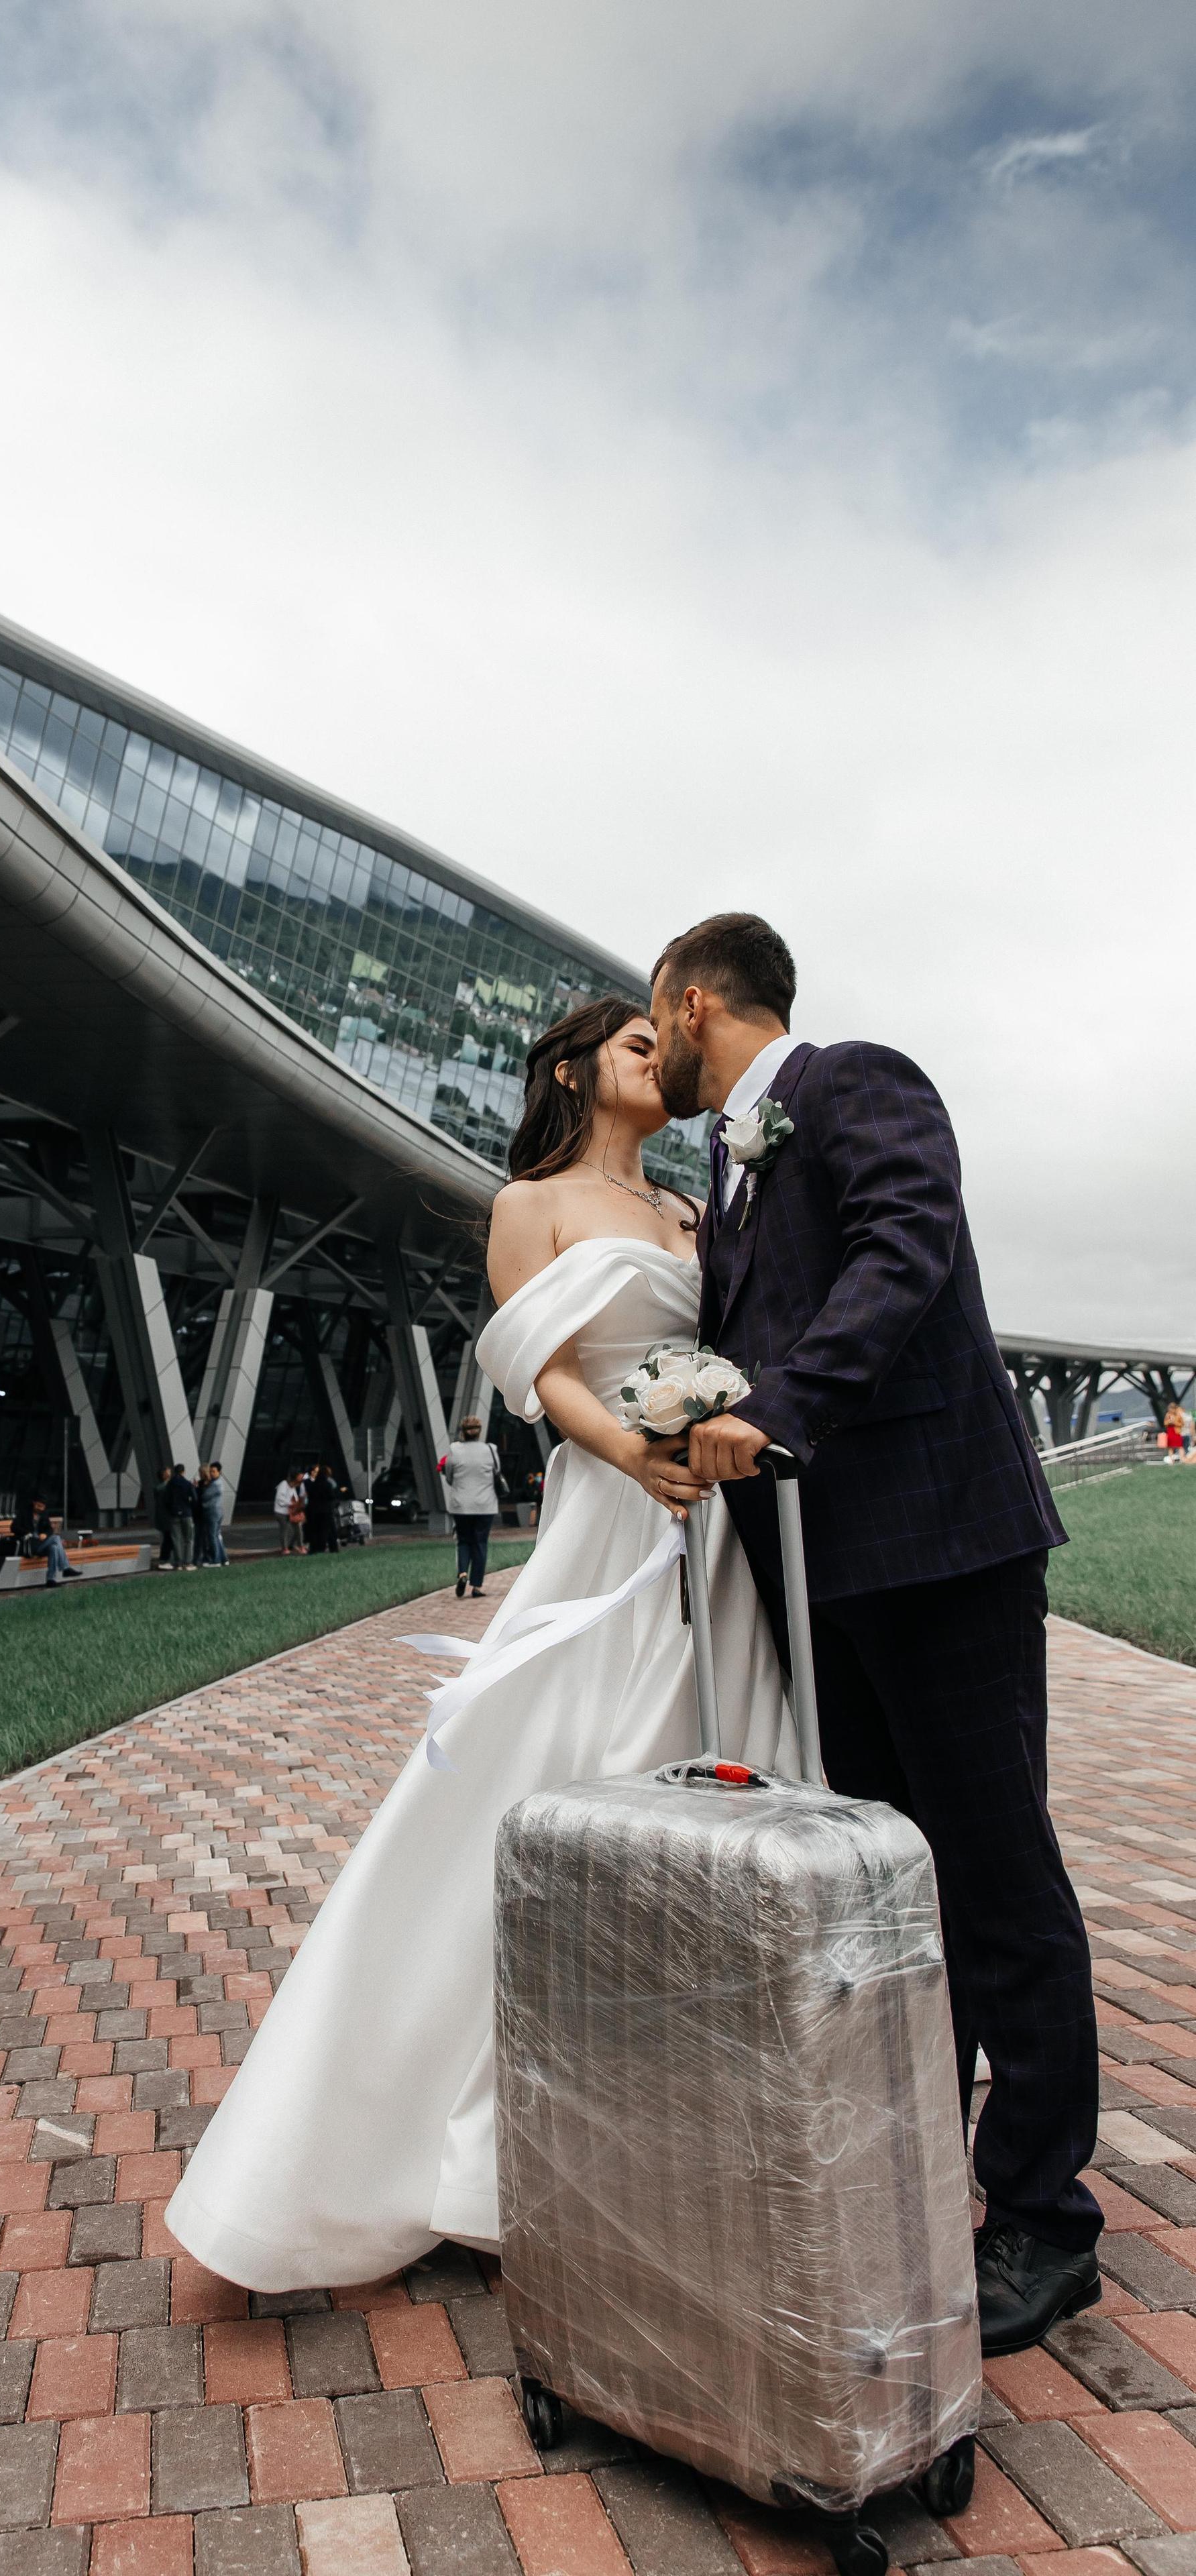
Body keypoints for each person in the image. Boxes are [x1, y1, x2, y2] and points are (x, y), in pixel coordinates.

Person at [166, 995, 792, 2290]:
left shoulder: (695, 1212)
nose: (655, 1061)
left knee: (718, 1789)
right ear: (573, 1066)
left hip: (718, 1527)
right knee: (554, 1781)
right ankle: (448, 2145)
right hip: (612, 1517)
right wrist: (636, 1452)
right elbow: (545, 1372)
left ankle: (675, 2133)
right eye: (633, 1045)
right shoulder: (529, 1204)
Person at [649, 910, 1097, 2357]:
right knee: (887, 1889)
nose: (649, 1049)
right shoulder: (717, 1185)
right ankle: (916, 2167)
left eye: (656, 1024)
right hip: (816, 1576)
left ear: (694, 997)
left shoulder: (855, 1082)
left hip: (940, 1547)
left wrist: (774, 1412)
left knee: (991, 1872)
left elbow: (904, 1253)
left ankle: (1042, 2216)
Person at [439, 1415, 501, 1599]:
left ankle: (462, 1574)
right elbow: (496, 1472)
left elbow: (449, 1477)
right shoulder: (491, 1449)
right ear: (479, 1431)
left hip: (461, 1505)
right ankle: (477, 1587)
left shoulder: (454, 1449)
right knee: (480, 1543)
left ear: (463, 1432)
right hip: (485, 1505)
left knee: (464, 1540)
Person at [10, 1492, 71, 1581]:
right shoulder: (24, 1513)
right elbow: (14, 1528)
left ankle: (51, 1579)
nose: (40, 1509)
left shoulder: (43, 1515)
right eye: (39, 1506)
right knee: (56, 1538)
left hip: (41, 1544)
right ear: (34, 1503)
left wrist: (45, 1534)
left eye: (42, 1507)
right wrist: (27, 1533)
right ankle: (65, 1568)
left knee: (54, 1548)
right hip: (30, 1546)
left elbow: (50, 1530)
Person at [165, 1462, 199, 1568]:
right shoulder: (188, 1484)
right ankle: (187, 1562)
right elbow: (195, 1500)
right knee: (189, 1539)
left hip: (174, 1514)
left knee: (176, 1539)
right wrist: (189, 1507)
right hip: (186, 1514)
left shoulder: (170, 1484)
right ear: (183, 1472)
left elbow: (165, 1500)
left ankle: (178, 1562)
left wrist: (171, 1509)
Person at [303, 1463, 340, 1554]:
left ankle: (314, 1549)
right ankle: (330, 1549)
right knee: (328, 1531)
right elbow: (332, 1497)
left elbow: (310, 1497)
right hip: (326, 1511)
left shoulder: (313, 1484)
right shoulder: (327, 1484)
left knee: (315, 1531)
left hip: (313, 1511)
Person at [197, 1462, 229, 1565]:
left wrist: (202, 1488)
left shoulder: (215, 1484)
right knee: (216, 1536)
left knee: (212, 1536)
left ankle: (215, 1560)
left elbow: (204, 1496)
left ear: (219, 1472)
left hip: (212, 1512)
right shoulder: (216, 1483)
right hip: (216, 1511)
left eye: (213, 1471)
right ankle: (223, 1559)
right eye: (210, 1471)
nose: (211, 1473)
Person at [151, 1465, 176, 1568]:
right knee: (168, 1539)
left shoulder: (160, 1488)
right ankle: (165, 1560)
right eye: (168, 1471)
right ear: (165, 1475)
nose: (170, 1472)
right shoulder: (164, 1488)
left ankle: (165, 1559)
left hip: (163, 1517)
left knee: (167, 1539)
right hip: (167, 1517)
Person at [272, 1470, 297, 1552]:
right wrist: (290, 1503)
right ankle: (285, 1548)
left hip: (288, 1512)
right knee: (285, 1530)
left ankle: (289, 1546)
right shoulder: (283, 1485)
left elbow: (295, 1498)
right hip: (281, 1512)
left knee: (293, 1530)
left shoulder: (292, 1487)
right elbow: (280, 1499)